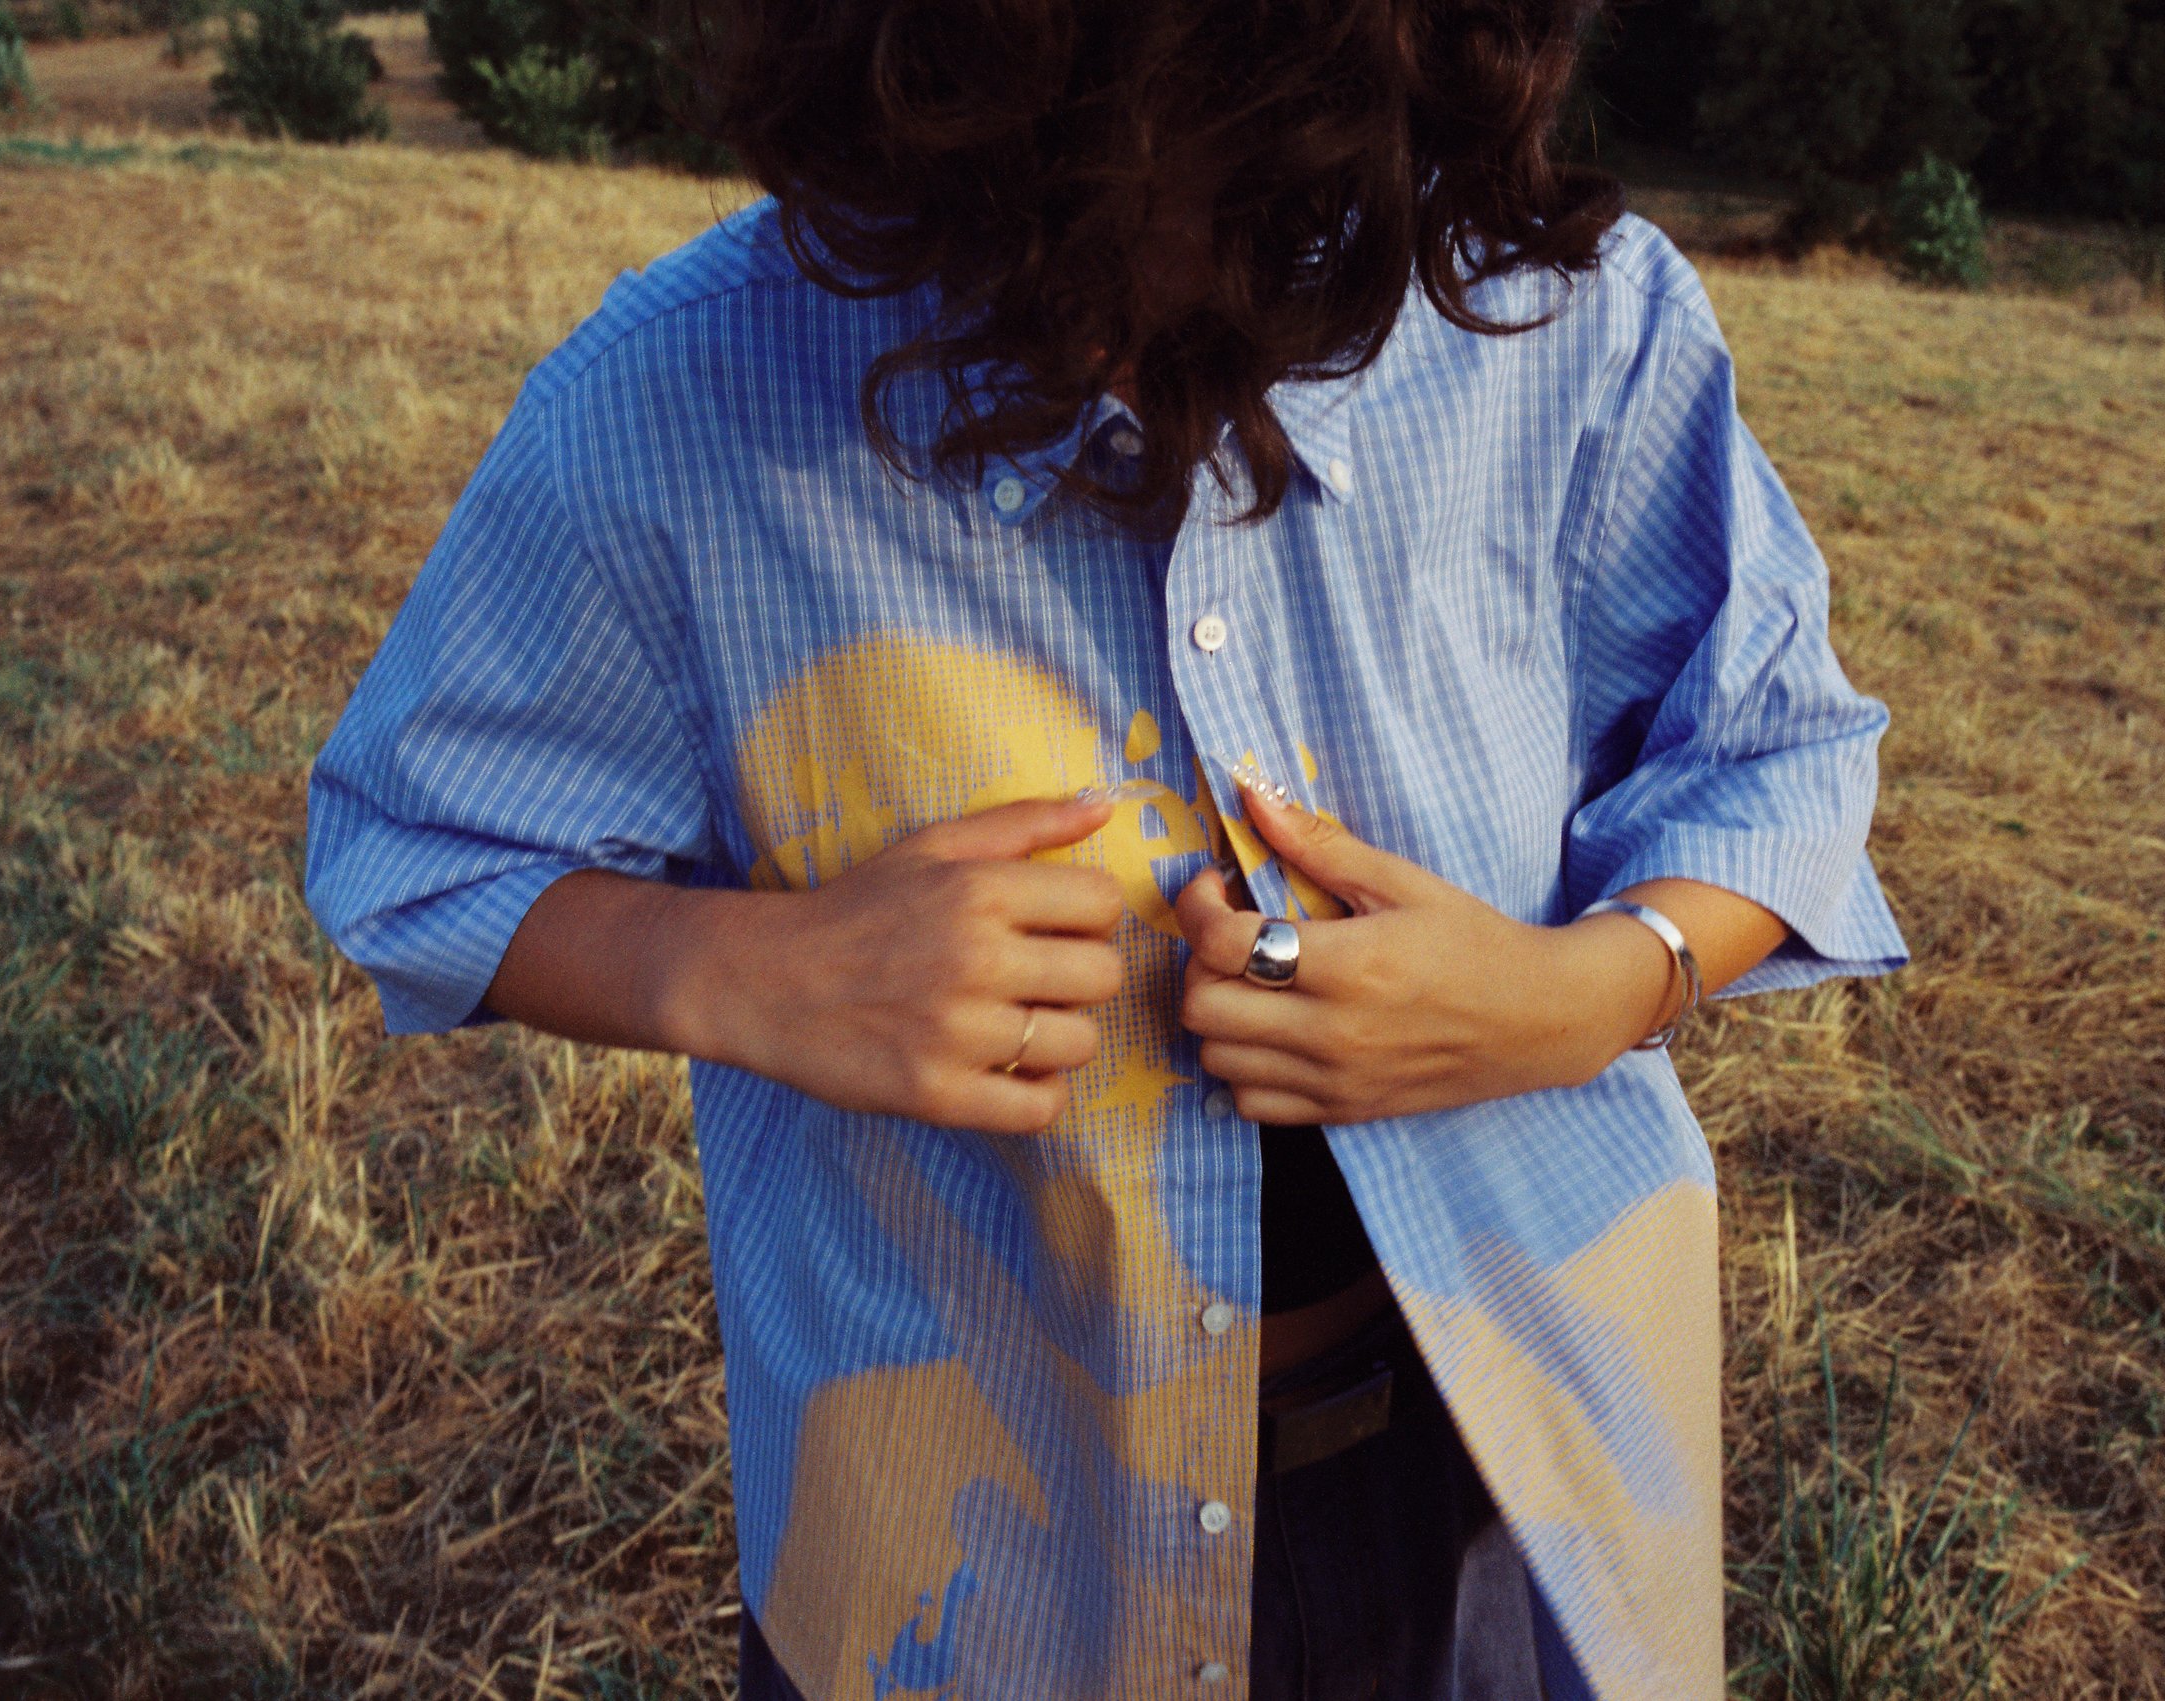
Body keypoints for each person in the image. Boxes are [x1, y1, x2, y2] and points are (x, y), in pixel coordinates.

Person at [303, 1, 1908, 1695]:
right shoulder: (674, 395)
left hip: (1487, 1478)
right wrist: (743, 968)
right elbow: (414, 845)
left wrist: (1586, 994)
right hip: (966, 1562)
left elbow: (1775, 747)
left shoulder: (1568, 321)